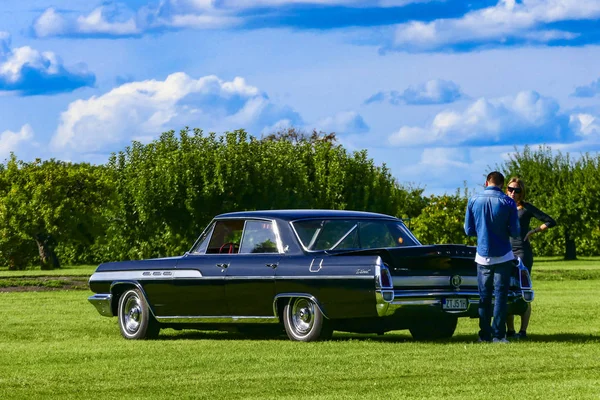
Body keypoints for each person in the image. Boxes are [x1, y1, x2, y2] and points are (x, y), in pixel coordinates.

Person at [465, 171, 520, 343]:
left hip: (482, 255)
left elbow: (468, 230)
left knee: (484, 296)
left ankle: (484, 334)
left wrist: (482, 233)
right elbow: (515, 231)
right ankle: (498, 335)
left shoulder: (473, 200)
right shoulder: (508, 202)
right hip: (503, 254)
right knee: (500, 296)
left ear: (486, 182)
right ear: (502, 185)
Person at [505, 177, 556, 339]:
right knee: (506, 291)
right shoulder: (503, 207)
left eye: (517, 190)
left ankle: (523, 332)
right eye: (510, 189)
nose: (513, 193)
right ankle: (510, 331)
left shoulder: (526, 208)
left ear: (522, 193)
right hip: (506, 252)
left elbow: (550, 221)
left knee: (522, 290)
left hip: (522, 253)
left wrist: (533, 231)